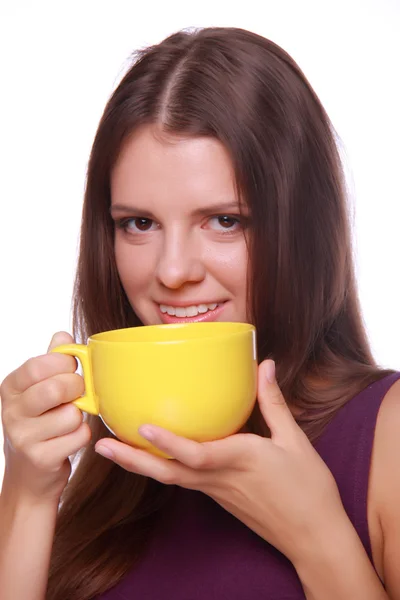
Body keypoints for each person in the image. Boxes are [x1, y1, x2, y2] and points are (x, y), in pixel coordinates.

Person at [0, 26, 399, 600]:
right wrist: (28, 490)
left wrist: (317, 537)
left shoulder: (387, 434)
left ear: (304, 232)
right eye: (139, 223)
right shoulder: (110, 457)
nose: (172, 270)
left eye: (224, 220)